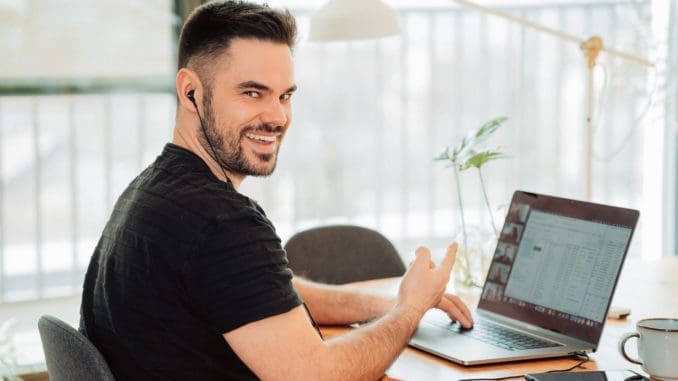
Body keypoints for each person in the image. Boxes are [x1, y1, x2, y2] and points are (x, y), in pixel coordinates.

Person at [79, 1, 473, 380]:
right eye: (252, 93)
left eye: (284, 96)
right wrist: (409, 310)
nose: (277, 117)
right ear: (190, 93)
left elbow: (259, 292)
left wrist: (387, 305)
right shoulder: (220, 222)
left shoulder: (153, 191)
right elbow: (319, 378)